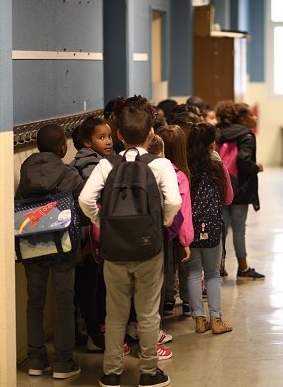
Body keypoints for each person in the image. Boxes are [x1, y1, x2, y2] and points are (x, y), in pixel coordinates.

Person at [79, 96, 181, 387]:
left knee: (115, 313)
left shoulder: (106, 165)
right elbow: (173, 201)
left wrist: (104, 224)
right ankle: (149, 372)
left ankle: (112, 372)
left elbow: (86, 200)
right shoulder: (160, 165)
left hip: (114, 251)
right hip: (150, 249)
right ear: (151, 133)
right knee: (148, 313)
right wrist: (160, 223)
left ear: (119, 134)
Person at [15, 124, 85, 379]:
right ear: (63, 148)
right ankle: (63, 363)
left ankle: (36, 359)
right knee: (65, 303)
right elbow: (84, 210)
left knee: (34, 303)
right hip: (64, 247)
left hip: (32, 245)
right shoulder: (70, 175)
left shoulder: (26, 174)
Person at [186, 122, 234, 334]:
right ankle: (216, 320)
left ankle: (198, 320)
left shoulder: (184, 166)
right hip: (212, 225)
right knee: (213, 274)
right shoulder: (217, 165)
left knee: (193, 272)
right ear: (211, 143)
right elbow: (228, 198)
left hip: (189, 227)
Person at [70, 117, 113, 354]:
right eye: (101, 137)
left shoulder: (91, 161)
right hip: (90, 235)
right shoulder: (92, 165)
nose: (108, 142)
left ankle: (89, 329)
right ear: (87, 142)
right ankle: (94, 334)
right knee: (90, 284)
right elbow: (93, 200)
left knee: (88, 284)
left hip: (86, 233)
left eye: (109, 136)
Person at [215, 100, 265, 280]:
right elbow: (244, 160)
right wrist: (256, 167)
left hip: (220, 185)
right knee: (239, 229)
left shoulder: (218, 132)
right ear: (242, 119)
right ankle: (243, 268)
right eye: (251, 114)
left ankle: (219, 267)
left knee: (220, 229)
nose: (255, 117)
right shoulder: (246, 135)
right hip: (240, 189)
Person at [156, 125, 194, 317]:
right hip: (174, 230)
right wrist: (186, 241)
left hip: (153, 229)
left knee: (164, 270)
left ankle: (168, 301)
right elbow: (184, 212)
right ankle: (187, 302)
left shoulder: (151, 169)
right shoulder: (179, 176)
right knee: (182, 264)